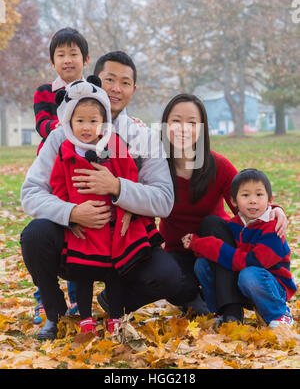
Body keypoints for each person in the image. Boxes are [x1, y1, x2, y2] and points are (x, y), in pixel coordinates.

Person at [20, 51, 197, 340]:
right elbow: (31, 193)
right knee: (35, 235)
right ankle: (56, 314)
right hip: (76, 236)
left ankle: (113, 305)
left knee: (167, 275)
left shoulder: (142, 137)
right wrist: (71, 213)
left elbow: (163, 199)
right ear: (95, 82)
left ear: (133, 89)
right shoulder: (62, 136)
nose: (116, 88)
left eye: (125, 82)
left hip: (123, 238)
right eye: (109, 79)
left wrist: (118, 188)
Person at [158, 93, 288, 323]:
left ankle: (231, 312)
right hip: (178, 250)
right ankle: (202, 302)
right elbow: (139, 201)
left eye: (191, 123)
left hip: (217, 245)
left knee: (212, 224)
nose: (183, 129)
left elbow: (246, 196)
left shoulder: (217, 165)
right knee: (174, 281)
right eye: (176, 121)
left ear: (201, 128)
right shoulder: (155, 165)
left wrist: (274, 209)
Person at [49, 76, 163, 335]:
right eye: (80, 121)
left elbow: (130, 175)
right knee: (84, 272)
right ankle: (85, 316)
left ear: (103, 122)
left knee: (114, 273)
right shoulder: (66, 151)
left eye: (93, 121)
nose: (87, 127)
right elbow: (58, 186)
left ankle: (115, 315)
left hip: (111, 225)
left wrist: (128, 208)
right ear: (69, 122)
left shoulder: (114, 146)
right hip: (83, 227)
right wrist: (70, 215)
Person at [183, 168, 297, 328]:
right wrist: (196, 245)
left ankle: (279, 313)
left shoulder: (273, 228)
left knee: (249, 274)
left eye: (259, 195)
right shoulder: (234, 225)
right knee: (202, 265)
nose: (253, 200)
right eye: (245, 195)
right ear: (234, 201)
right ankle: (220, 311)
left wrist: (204, 244)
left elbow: (251, 262)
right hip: (242, 284)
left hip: (270, 285)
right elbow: (223, 256)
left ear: (270, 199)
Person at [33, 27, 87, 323]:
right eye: (61, 55)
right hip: (51, 171)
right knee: (44, 231)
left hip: (80, 175)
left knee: (77, 234)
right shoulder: (44, 92)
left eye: (74, 54)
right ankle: (43, 299)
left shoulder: (93, 91)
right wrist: (70, 127)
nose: (68, 60)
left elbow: (105, 121)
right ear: (53, 61)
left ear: (85, 58)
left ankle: (79, 298)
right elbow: (44, 124)